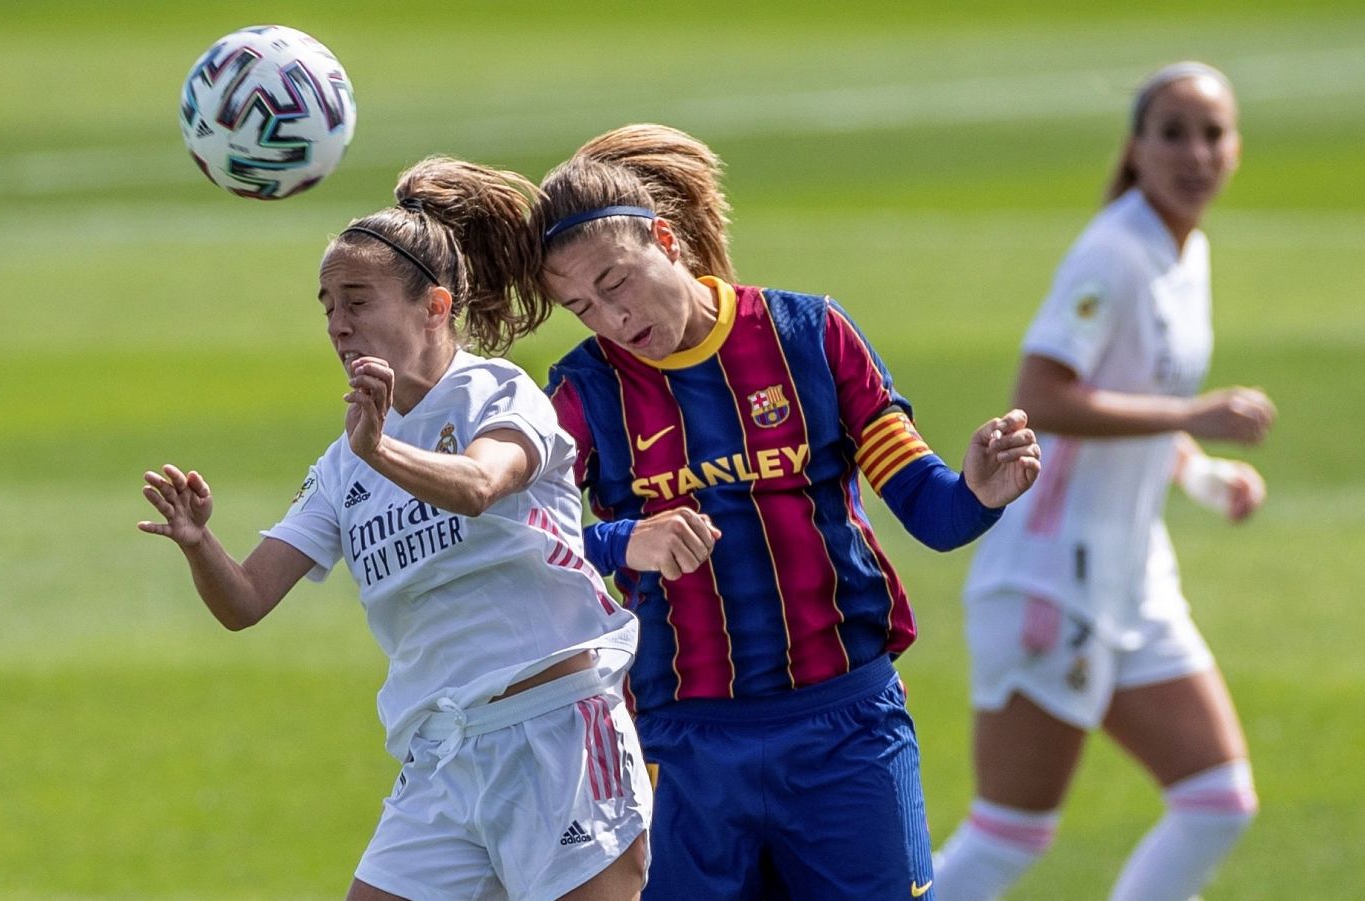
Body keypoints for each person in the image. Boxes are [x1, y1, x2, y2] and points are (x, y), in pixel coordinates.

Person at [507, 123, 1042, 899]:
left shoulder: (811, 336)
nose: (614, 320)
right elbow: (526, 542)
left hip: (847, 727)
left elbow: (930, 508)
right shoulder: (582, 392)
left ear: (666, 239)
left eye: (616, 282)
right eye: (583, 307)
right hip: (683, 744)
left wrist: (979, 493)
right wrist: (629, 539)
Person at [137, 157, 651, 901]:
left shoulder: (499, 391)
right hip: (443, 759)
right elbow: (246, 600)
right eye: (325, 307)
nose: (338, 324)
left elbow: (479, 485)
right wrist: (198, 542)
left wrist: (379, 448)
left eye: (357, 300)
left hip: (557, 737)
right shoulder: (343, 463)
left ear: (434, 306)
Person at [932, 62, 1273, 901]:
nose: (1196, 153)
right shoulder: (1113, 254)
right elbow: (1042, 397)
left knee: (1216, 802)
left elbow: (1137, 401)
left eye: (1213, 133)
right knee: (1010, 835)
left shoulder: (1181, 248)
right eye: (1173, 133)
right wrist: (1193, 416)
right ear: (1136, 147)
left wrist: (1200, 473)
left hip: (1134, 578)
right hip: (1056, 581)